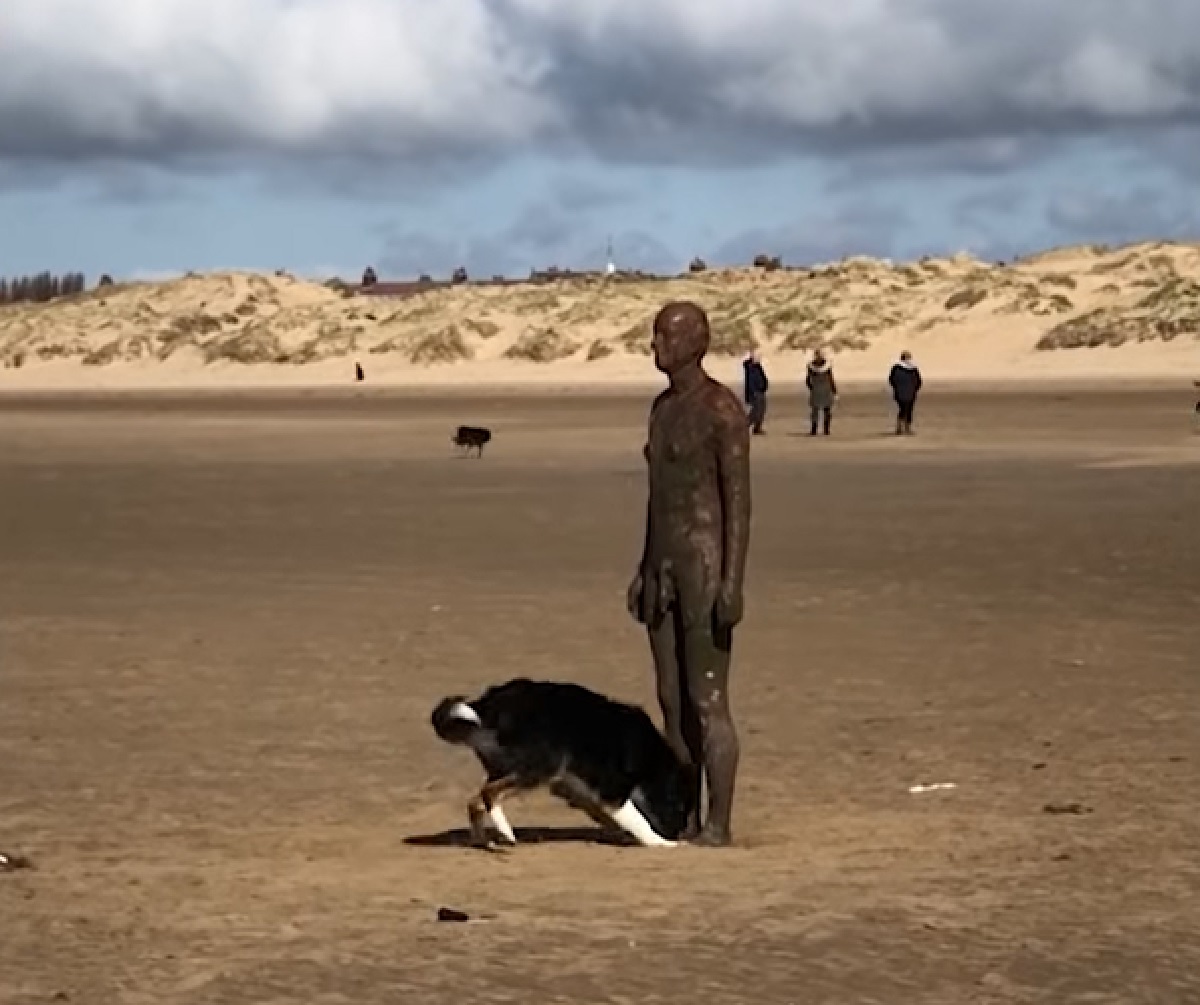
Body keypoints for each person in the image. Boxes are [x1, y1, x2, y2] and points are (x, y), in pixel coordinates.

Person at [628, 301, 751, 847]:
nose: (655, 345)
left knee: (706, 700)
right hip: (664, 566)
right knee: (671, 701)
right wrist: (644, 567)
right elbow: (658, 499)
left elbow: (739, 504)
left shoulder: (720, 409)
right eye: (655, 335)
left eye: (664, 336)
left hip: (704, 566)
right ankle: (684, 814)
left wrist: (731, 582)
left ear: (693, 342)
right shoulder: (660, 409)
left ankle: (719, 822)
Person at [888, 350, 923, 435]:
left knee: (903, 409)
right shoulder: (913, 368)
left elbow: (891, 380)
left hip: (900, 393)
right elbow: (919, 381)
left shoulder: (896, 368)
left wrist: (896, 388)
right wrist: (914, 389)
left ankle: (900, 427)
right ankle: (906, 428)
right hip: (910, 392)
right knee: (908, 409)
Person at [806, 350, 837, 436]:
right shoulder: (827, 366)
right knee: (827, 410)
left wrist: (812, 388)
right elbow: (831, 379)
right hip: (826, 389)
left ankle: (814, 430)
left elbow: (808, 380)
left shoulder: (810, 366)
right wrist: (834, 391)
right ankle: (826, 430)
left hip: (816, 390)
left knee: (815, 411)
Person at [742, 350, 769, 435]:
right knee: (755, 411)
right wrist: (753, 391)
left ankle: (757, 428)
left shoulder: (758, 367)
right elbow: (750, 381)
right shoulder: (750, 367)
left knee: (761, 410)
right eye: (757, 356)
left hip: (761, 391)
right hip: (755, 392)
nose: (759, 358)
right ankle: (744, 426)